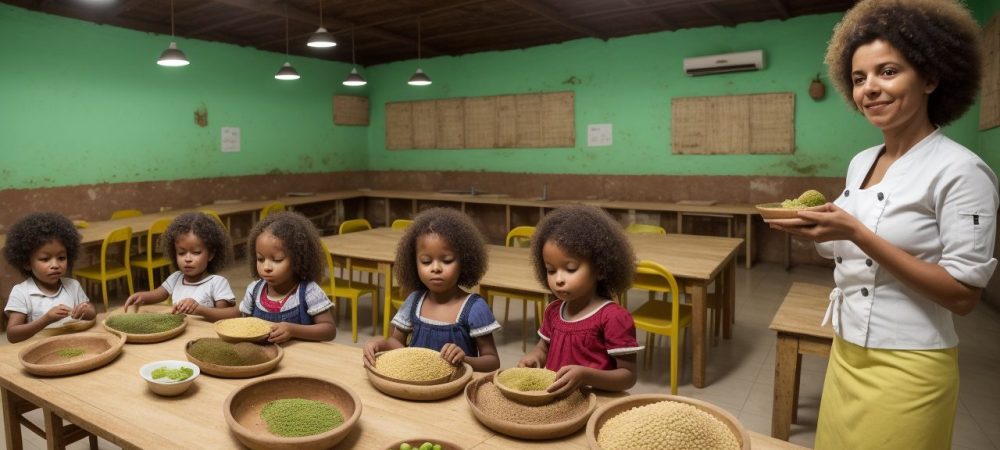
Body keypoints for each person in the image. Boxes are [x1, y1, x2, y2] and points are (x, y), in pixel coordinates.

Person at [767, 1, 997, 448]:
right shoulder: (861, 162)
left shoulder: (961, 171)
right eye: (859, 78)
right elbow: (844, 248)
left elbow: (964, 295)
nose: (870, 88)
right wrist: (815, 231)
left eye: (888, 72)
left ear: (930, 78)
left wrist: (856, 233)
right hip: (846, 351)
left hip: (910, 365)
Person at [517, 205, 640, 395]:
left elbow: (628, 376)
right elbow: (543, 348)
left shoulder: (613, 317)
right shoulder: (553, 310)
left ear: (600, 268)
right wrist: (534, 358)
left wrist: (586, 376)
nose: (558, 279)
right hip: (559, 402)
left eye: (571, 268)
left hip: (596, 403)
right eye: (551, 270)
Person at [363, 208, 500, 372]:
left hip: (456, 390)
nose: (436, 268)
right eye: (426, 261)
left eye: (447, 260)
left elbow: (492, 361)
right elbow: (396, 343)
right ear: (414, 264)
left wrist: (465, 359)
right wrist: (380, 343)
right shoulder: (414, 301)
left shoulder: (474, 308)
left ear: (464, 262)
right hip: (416, 387)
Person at [237, 211, 336, 343]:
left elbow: (329, 330)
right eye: (260, 259)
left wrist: (292, 330)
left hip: (300, 358)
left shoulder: (309, 292)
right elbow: (245, 323)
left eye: (277, 260)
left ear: (297, 260)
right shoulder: (254, 290)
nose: (266, 267)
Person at [123, 212, 236, 322]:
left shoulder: (217, 283)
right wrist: (141, 297)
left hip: (205, 336)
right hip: (179, 335)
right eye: (181, 253)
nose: (187, 259)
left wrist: (199, 309)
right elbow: (157, 294)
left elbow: (231, 314)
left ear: (211, 254)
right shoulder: (176, 278)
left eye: (196, 252)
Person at [3, 212, 95, 343]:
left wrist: (85, 311)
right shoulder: (21, 292)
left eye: (61, 258)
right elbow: (12, 335)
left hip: (74, 344)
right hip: (41, 351)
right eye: (45, 259)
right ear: (27, 263)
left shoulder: (72, 285)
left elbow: (92, 312)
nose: (55, 265)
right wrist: (46, 319)